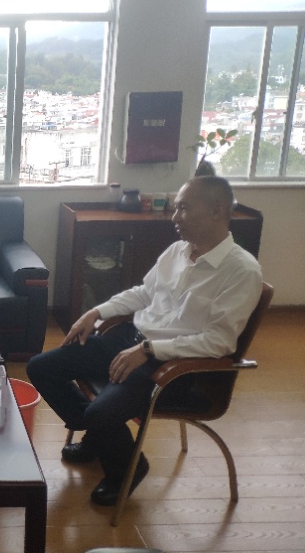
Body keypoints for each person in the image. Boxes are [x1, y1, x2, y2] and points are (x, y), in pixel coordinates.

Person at [27, 176, 262, 506]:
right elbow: (144, 293)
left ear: (217, 211)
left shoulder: (241, 271)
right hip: (131, 341)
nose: (175, 217)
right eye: (176, 208)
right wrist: (96, 312)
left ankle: (126, 467)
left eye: (184, 208)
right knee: (41, 368)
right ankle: (100, 433)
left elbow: (219, 342)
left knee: (101, 412)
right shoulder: (178, 250)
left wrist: (150, 350)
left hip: (172, 366)